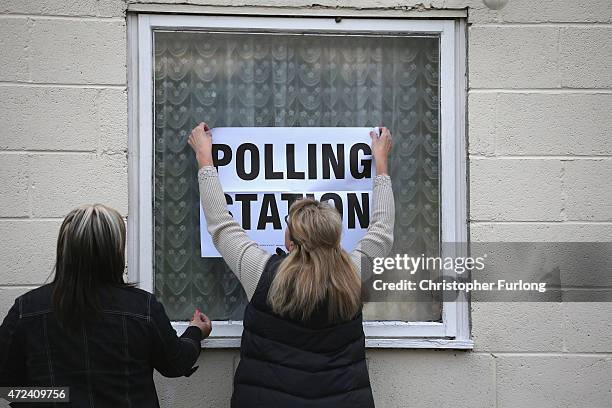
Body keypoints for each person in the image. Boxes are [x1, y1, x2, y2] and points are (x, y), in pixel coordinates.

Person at [188, 122, 394, 408]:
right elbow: (382, 230)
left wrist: (204, 157)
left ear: (290, 241)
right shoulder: (352, 275)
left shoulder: (262, 274)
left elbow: (220, 223)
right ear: (335, 238)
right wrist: (381, 163)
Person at [0, 204, 212, 407]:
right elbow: (175, 364)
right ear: (115, 251)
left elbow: (5, 383)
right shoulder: (142, 308)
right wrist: (195, 331)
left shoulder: (26, 309)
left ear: (65, 250)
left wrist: (58, 397)